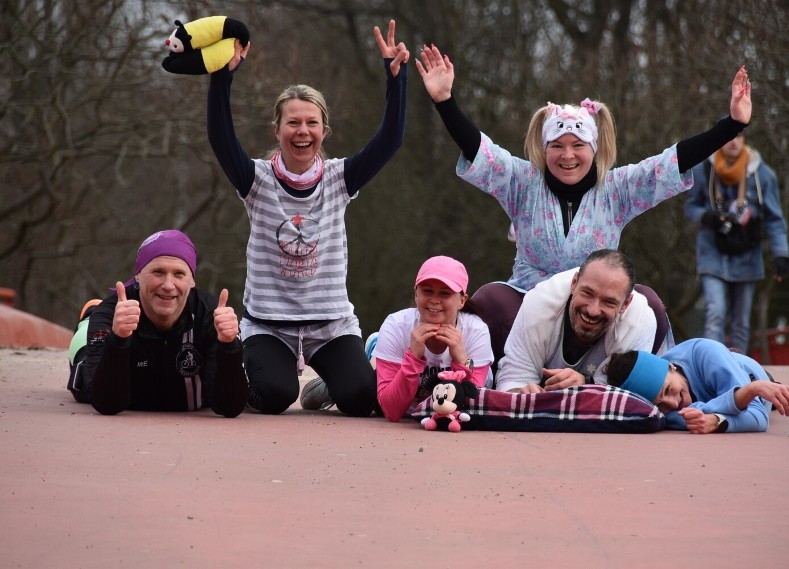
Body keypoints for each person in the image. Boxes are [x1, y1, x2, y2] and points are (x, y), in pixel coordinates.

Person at [416, 44, 753, 369]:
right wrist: (445, 101)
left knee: (647, 301)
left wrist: (732, 125)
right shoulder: (521, 181)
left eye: (578, 145)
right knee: (489, 299)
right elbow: (479, 150)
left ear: (594, 148)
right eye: (557, 146)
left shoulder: (618, 188)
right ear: (544, 148)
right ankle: (481, 376)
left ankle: (635, 379)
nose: (567, 156)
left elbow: (673, 162)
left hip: (595, 305)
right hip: (529, 301)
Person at [207, 21, 409, 416]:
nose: (303, 131)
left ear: (324, 130)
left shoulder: (340, 178)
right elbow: (220, 136)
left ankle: (326, 384)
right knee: (274, 396)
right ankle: (258, 371)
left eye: (311, 123)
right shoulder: (256, 180)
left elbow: (391, 140)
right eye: (293, 123)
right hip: (269, 324)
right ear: (277, 129)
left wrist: (395, 80)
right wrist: (222, 79)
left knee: (363, 400)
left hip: (330, 323)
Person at [67, 230, 247, 417]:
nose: (168, 285)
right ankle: (89, 315)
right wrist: (118, 339)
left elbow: (230, 407)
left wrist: (229, 345)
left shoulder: (210, 315)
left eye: (179, 274)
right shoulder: (110, 314)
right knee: (84, 365)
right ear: (138, 275)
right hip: (113, 345)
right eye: (158, 272)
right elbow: (107, 404)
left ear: (192, 280)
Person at [684, 130, 789, 353]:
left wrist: (781, 254)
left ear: (744, 140)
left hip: (747, 255)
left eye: (738, 136)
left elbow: (774, 218)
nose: (733, 141)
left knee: (740, 323)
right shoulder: (704, 169)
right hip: (712, 252)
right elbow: (690, 206)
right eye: (728, 136)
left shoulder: (762, 174)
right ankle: (709, 366)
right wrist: (706, 217)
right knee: (715, 313)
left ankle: (737, 372)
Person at [496, 249, 660, 393]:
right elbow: (513, 377)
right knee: (493, 296)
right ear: (574, 283)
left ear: (625, 304)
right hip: (537, 406)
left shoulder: (640, 321)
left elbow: (631, 396)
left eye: (608, 302)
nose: (593, 310)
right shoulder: (539, 303)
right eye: (588, 293)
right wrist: (521, 392)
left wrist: (586, 385)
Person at [373, 256, 493, 422]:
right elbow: (391, 411)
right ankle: (375, 348)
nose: (434, 300)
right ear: (416, 294)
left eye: (445, 293)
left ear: (462, 301)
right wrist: (413, 358)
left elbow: (471, 407)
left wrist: (462, 360)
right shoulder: (395, 325)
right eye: (427, 291)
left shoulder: (477, 331)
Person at [606, 338, 789, 433]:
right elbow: (692, 416)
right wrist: (716, 416)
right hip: (730, 387)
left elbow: (759, 418)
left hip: (750, 373)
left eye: (667, 390)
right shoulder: (657, 410)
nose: (673, 404)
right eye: (661, 405)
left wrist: (752, 389)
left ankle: (737, 361)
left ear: (671, 366)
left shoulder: (706, 352)